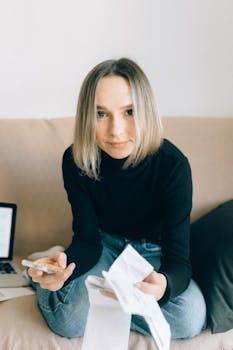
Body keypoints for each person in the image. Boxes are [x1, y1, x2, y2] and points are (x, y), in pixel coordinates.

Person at [28, 57, 206, 339]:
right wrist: (66, 262)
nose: (116, 130)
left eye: (129, 111)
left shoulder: (173, 166)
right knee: (70, 321)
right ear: (88, 116)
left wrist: (163, 285)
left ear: (146, 111)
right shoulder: (76, 161)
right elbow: (87, 242)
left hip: (153, 255)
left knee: (189, 318)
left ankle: (113, 305)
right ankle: (41, 273)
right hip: (103, 247)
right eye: (101, 114)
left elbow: (179, 262)